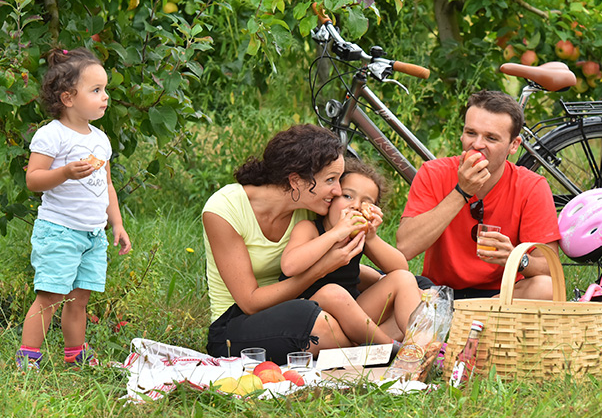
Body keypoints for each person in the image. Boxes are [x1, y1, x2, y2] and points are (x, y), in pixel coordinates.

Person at [202, 124, 367, 364]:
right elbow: (250, 302)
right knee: (310, 319)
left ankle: (373, 346)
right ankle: (382, 350)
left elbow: (343, 268)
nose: (338, 190)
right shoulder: (224, 209)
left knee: (399, 286)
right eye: (330, 179)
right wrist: (322, 268)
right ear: (296, 181)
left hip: (299, 305)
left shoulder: (309, 208)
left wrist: (382, 279)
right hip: (236, 325)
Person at [17, 47, 132, 370]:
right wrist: (65, 172)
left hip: (93, 235)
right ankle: (28, 356)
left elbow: (107, 185)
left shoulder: (100, 139)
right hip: (60, 231)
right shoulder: (51, 135)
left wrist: (117, 224)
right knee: (50, 296)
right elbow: (34, 180)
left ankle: (75, 352)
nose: (105, 96)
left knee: (80, 298)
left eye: (105, 89)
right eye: (96, 90)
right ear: (68, 98)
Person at [396, 90, 560, 300]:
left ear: (514, 145)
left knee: (546, 287)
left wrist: (515, 258)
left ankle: (467, 319)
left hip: (500, 294)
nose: (477, 144)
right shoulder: (433, 173)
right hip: (439, 291)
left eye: (491, 138)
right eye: (471, 133)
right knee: (395, 283)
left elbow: (549, 268)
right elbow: (405, 247)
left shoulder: (531, 186)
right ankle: (474, 323)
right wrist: (462, 192)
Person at [280, 159, 421, 345]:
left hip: (354, 317)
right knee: (332, 293)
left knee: (404, 279)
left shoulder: (360, 236)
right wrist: (336, 233)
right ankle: (390, 348)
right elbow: (290, 266)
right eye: (348, 196)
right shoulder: (310, 228)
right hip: (315, 314)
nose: (356, 205)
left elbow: (401, 268)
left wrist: (371, 238)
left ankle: (421, 347)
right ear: (331, 198)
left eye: (366, 202)